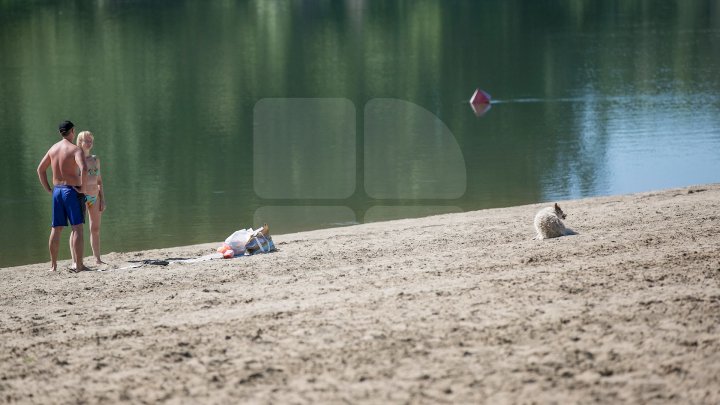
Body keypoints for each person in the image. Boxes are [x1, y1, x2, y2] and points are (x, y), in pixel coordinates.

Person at [37, 120, 88, 272]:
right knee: (77, 228)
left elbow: (40, 170)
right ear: (72, 131)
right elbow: (84, 168)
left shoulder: (53, 148)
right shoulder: (75, 150)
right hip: (71, 191)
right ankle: (79, 266)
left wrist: (48, 189)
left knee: (56, 228)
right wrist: (83, 188)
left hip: (57, 191)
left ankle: (53, 266)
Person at [75, 131, 106, 265]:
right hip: (81, 196)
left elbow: (99, 180)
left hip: (95, 196)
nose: (89, 143)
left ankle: (97, 258)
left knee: (95, 228)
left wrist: (103, 199)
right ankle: (76, 261)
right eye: (86, 141)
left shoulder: (95, 159)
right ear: (80, 142)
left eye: (91, 141)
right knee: (77, 229)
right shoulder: (76, 159)